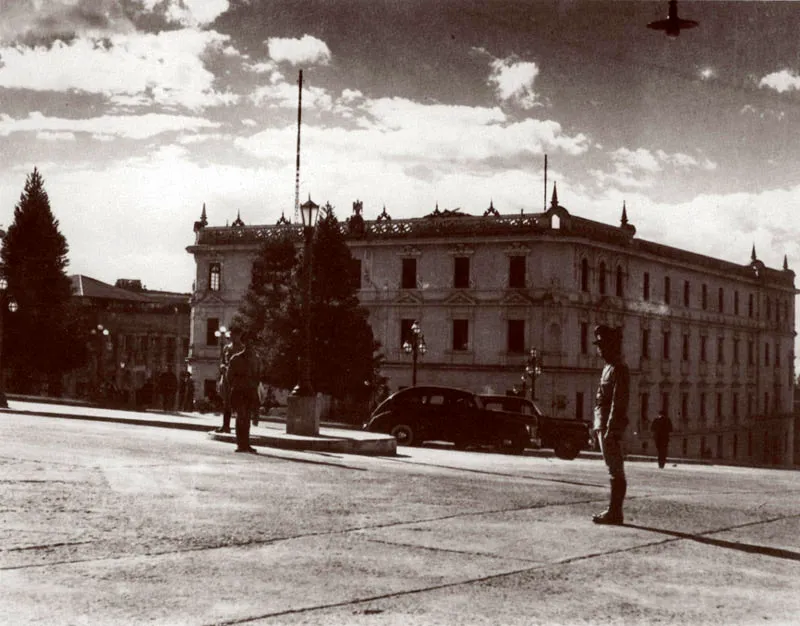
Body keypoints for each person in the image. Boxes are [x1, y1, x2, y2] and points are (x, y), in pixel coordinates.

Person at [592, 324, 630, 525]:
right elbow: (601, 401)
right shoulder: (608, 368)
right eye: (599, 345)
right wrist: (596, 427)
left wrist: (611, 430)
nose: (600, 350)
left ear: (612, 346)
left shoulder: (619, 369)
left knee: (615, 469)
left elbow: (618, 402)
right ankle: (613, 511)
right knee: (612, 468)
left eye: (603, 346)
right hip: (603, 426)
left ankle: (615, 513)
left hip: (609, 428)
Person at [225, 327, 259, 454]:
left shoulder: (256, 359)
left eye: (252, 343)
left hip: (250, 391)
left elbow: (258, 376)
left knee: (248, 417)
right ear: (245, 344)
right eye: (248, 343)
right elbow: (230, 377)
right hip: (239, 391)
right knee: (241, 416)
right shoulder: (236, 358)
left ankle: (247, 444)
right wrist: (237, 385)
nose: (251, 345)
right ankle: (240, 444)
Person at [213, 342, 233, 433]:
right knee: (226, 403)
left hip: (237, 379)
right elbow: (222, 362)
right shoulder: (227, 347)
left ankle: (240, 429)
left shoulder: (241, 348)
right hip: (226, 378)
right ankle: (226, 426)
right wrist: (223, 367)